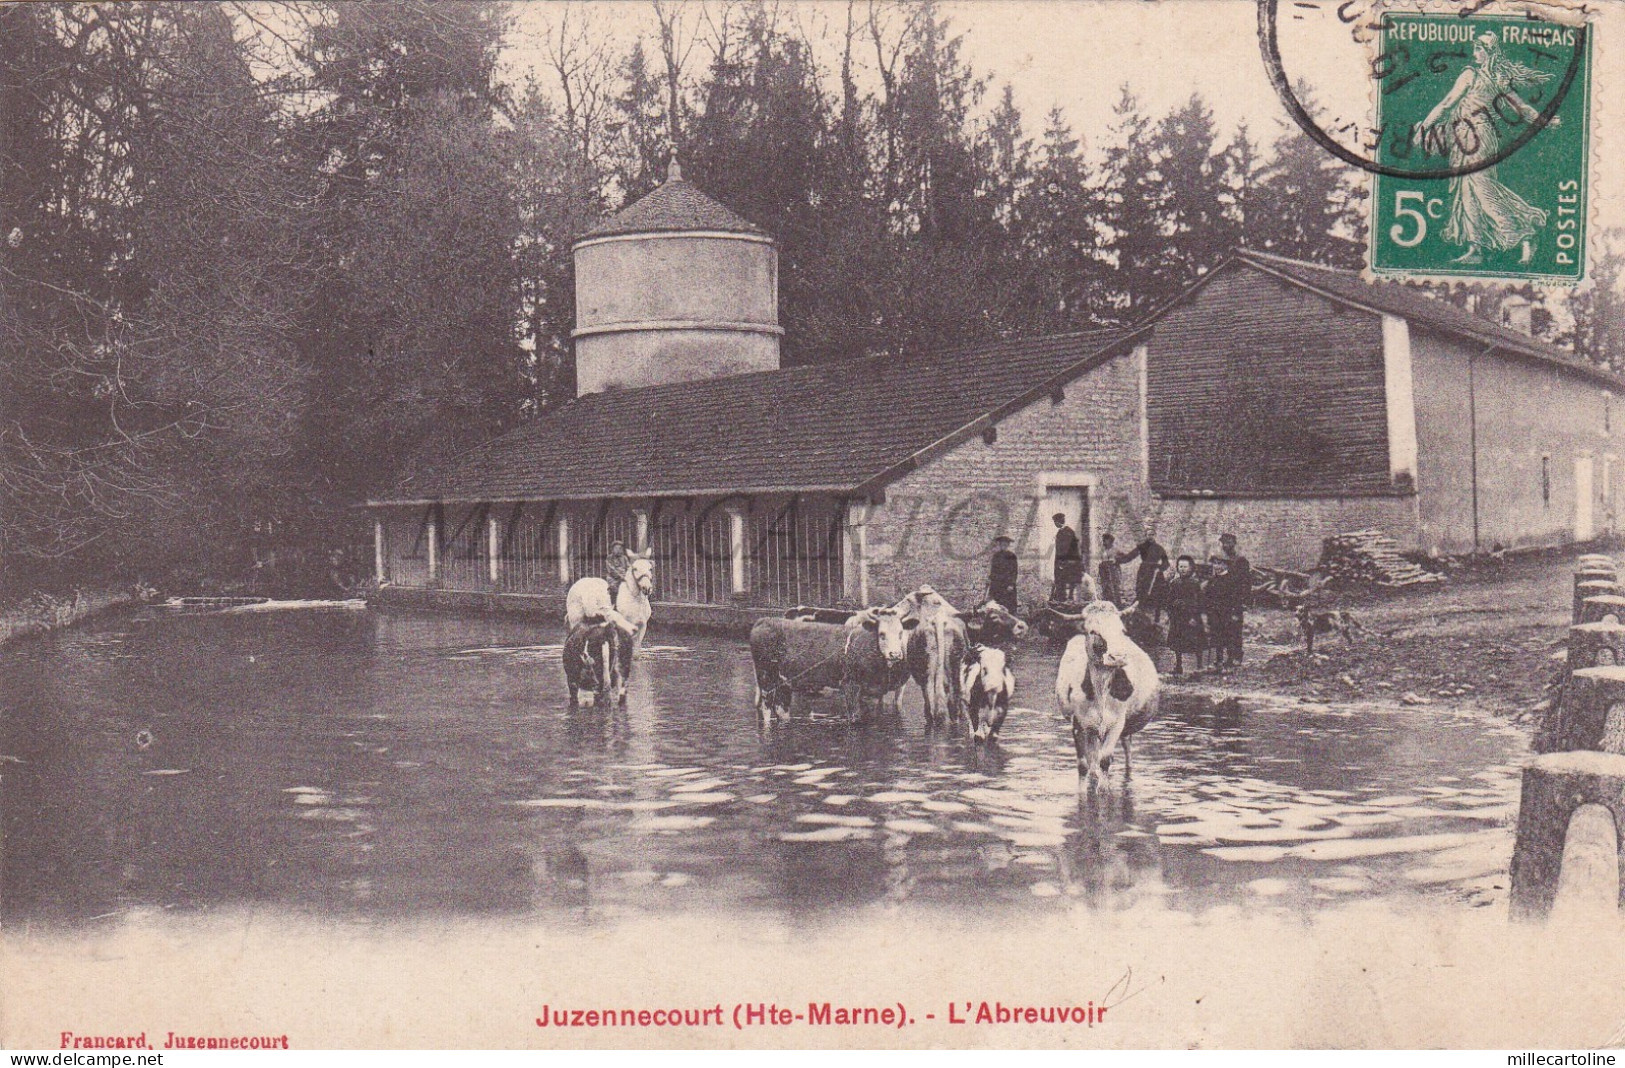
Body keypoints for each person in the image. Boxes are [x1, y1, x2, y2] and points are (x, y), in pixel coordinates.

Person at [1417, 33, 1555, 266]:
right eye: (1474, 49)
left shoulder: (1475, 75)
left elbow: (1447, 103)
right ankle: (1476, 248)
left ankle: (1523, 233)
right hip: (1464, 137)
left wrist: (1424, 126)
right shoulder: (1492, 77)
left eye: (1479, 50)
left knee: (1481, 187)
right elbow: (1521, 108)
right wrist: (1544, 121)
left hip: (1479, 137)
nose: (1474, 54)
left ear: (1489, 52)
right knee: (1467, 189)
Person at [1164, 554, 1207, 676]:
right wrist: (1172, 609)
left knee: (1196, 642)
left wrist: (1193, 616)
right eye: (1180, 566)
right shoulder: (1175, 583)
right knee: (1178, 643)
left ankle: (1199, 666)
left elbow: (1199, 601)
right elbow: (1168, 600)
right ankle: (1178, 665)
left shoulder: (1195, 583)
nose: (1182, 569)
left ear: (1191, 568)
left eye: (1185, 567)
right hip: (1178, 618)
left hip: (1191, 617)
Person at [1214, 532, 1251, 667]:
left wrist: (1244, 601)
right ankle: (1226, 657)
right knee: (1224, 629)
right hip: (1223, 600)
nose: (1225, 545)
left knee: (1235, 629)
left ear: (1234, 544)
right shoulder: (1219, 559)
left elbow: (1246, 582)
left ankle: (1237, 656)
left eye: (1228, 543)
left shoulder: (1241, 560)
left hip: (1236, 600)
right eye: (1223, 543)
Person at [1117, 535, 1169, 612]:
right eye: (1148, 535)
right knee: (1141, 587)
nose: (1150, 537)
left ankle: (1153, 605)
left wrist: (1160, 568)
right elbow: (1130, 556)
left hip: (1155, 571)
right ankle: (1141, 604)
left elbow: (1166, 563)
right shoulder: (1142, 547)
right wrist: (1118, 560)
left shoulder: (1159, 548)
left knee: (1155, 588)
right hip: (1144, 570)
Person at [1050, 512, 1084, 603]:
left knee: (1069, 581)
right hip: (1061, 562)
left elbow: (1069, 549)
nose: (1055, 524)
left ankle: (1069, 600)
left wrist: (1063, 562)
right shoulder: (1060, 533)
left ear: (1059, 522)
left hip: (1068, 562)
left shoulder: (1068, 532)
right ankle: (1061, 600)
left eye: (1055, 522)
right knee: (1060, 582)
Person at [987, 534, 1020, 613]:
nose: (1003, 546)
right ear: (1000, 545)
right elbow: (993, 570)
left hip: (1007, 585)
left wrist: (1011, 584)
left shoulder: (1012, 556)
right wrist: (990, 579)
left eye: (1005, 544)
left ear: (1008, 545)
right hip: (997, 585)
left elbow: (1014, 571)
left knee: (1008, 604)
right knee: (996, 604)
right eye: (1002, 544)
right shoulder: (996, 556)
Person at [1097, 532, 1125, 607]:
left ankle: (1117, 604)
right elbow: (1100, 558)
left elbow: (1124, 558)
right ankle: (1107, 603)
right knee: (1105, 586)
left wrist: (1116, 561)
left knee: (1115, 586)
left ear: (1110, 541)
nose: (1104, 542)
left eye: (1105, 540)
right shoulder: (1102, 550)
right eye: (1103, 540)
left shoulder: (1116, 550)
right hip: (1103, 569)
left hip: (1113, 569)